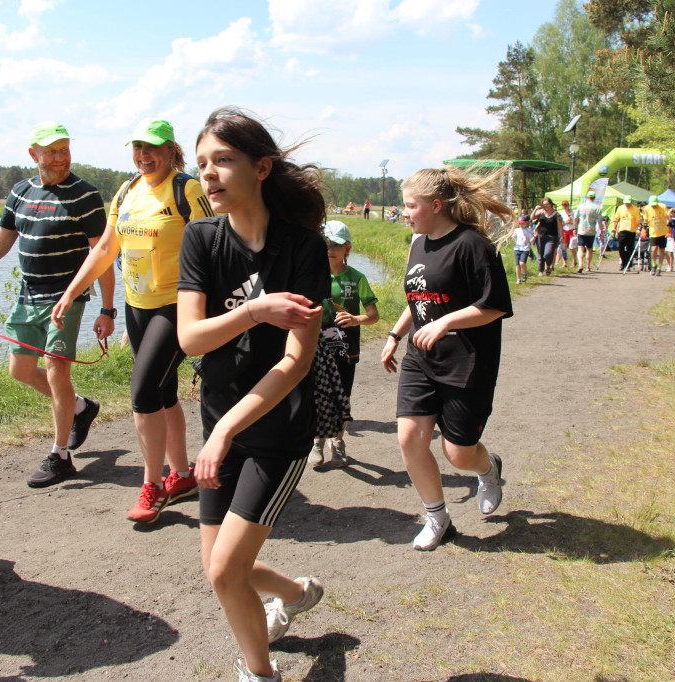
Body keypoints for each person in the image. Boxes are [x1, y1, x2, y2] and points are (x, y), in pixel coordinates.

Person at [177, 107, 328, 682]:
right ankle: (295, 592)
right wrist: (256, 309)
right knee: (219, 567)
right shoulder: (201, 239)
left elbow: (295, 363)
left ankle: (259, 674)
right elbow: (191, 338)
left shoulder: (303, 249)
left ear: (262, 168)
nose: (208, 175)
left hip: (277, 429)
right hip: (222, 417)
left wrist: (225, 431)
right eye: (201, 165)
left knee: (223, 573)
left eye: (223, 161)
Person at [0, 122, 111, 488]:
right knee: (20, 371)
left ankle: (60, 456)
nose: (60, 158)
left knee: (57, 370)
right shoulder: (20, 192)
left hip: (66, 298)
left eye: (64, 149)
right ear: (34, 154)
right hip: (29, 297)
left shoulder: (84, 195)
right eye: (52, 151)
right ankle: (79, 407)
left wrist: (107, 310)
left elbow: (103, 254)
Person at [53, 119, 214, 523]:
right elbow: (108, 247)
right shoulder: (127, 191)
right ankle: (180, 474)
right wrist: (73, 291)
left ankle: (153, 485)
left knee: (142, 392)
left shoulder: (186, 189)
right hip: (137, 305)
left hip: (177, 305)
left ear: (170, 149)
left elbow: (216, 242)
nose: (144, 155)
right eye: (137, 147)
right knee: (162, 394)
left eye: (152, 148)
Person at [381, 165, 513, 552]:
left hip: (467, 362)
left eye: (410, 206)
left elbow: (494, 307)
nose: (404, 213)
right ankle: (437, 518)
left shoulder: (473, 246)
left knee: (457, 454)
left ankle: (488, 470)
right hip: (421, 360)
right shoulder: (417, 243)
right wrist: (394, 334)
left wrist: (445, 323)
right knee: (409, 438)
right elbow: (418, 296)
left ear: (436, 205)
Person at [311, 220, 380, 469]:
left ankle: (337, 442)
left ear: (347, 248)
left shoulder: (357, 278)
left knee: (343, 397)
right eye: (326, 244)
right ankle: (317, 440)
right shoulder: (311, 274)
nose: (330, 250)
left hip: (346, 347)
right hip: (316, 346)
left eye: (336, 245)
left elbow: (373, 315)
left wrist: (355, 319)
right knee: (318, 394)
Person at [530, 197, 563, 276]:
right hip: (541, 235)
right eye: (544, 204)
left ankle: (548, 265)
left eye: (547, 204)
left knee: (548, 253)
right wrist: (535, 209)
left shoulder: (556, 214)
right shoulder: (541, 212)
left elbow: (560, 226)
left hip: (552, 236)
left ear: (551, 204)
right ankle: (541, 270)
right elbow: (532, 218)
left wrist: (562, 236)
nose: (545, 206)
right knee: (540, 254)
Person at [574, 191, 601, 273]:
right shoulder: (597, 208)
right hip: (591, 230)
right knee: (589, 248)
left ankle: (580, 264)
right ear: (594, 198)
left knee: (580, 248)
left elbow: (575, 218)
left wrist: (575, 228)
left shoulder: (580, 206)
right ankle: (588, 267)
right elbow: (599, 221)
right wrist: (601, 231)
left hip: (581, 230)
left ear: (587, 197)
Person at [642, 195, 670, 276]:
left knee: (662, 250)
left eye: (655, 205)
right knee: (654, 249)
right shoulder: (646, 208)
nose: (653, 206)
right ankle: (654, 265)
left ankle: (659, 268)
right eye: (652, 205)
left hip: (663, 232)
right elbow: (645, 220)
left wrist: (670, 225)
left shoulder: (663, 206)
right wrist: (644, 230)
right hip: (653, 232)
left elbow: (667, 216)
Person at [611, 195, 641, 270]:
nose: (627, 205)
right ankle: (624, 262)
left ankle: (628, 264)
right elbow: (616, 218)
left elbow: (639, 220)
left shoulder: (635, 209)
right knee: (620, 247)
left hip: (631, 231)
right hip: (622, 230)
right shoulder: (620, 208)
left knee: (630, 248)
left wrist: (639, 228)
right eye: (626, 203)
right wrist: (613, 228)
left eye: (628, 203)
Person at [511, 216, 533, 284]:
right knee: (517, 264)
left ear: (526, 223)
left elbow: (531, 240)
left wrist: (534, 237)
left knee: (522, 263)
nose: (521, 225)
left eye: (523, 223)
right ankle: (518, 279)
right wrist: (511, 237)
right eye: (520, 223)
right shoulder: (517, 230)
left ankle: (525, 272)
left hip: (525, 249)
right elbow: (513, 238)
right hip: (517, 248)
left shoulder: (529, 230)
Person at [558, 199, 576, 269]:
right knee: (564, 247)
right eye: (563, 205)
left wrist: (571, 222)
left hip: (571, 229)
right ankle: (564, 262)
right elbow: (560, 224)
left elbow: (576, 221)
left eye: (566, 205)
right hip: (564, 230)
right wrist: (566, 222)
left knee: (572, 247)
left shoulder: (573, 212)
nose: (565, 206)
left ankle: (574, 261)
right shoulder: (561, 213)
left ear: (568, 205)